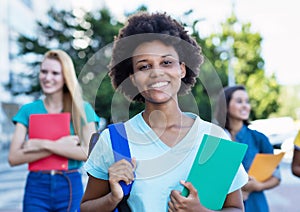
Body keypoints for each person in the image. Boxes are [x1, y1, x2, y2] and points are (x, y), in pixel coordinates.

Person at [80, 12, 248, 212]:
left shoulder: (215, 139)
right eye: (144, 66)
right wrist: (113, 197)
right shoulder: (114, 140)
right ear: (132, 79)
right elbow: (86, 208)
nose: (156, 72)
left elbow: (236, 208)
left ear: (182, 69)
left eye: (166, 62)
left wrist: (200, 211)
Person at [8, 49, 99, 211]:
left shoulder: (82, 110)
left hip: (70, 185)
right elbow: (14, 157)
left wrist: (42, 144)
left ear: (65, 77)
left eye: (55, 73)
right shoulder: (27, 110)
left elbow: (89, 153)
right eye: (44, 71)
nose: (47, 78)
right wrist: (63, 146)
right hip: (36, 188)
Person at [214, 85, 281, 212]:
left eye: (247, 102)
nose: (245, 105)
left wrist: (257, 186)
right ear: (226, 105)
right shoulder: (215, 137)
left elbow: (276, 177)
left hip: (255, 205)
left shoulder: (259, 139)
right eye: (239, 101)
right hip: (224, 205)